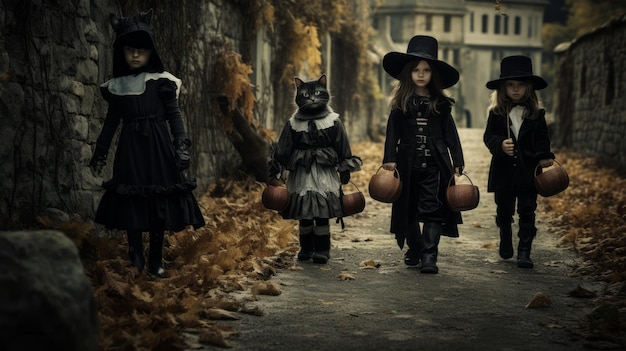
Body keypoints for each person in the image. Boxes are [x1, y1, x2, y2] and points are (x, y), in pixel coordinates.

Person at [89, 9, 205, 277]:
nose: (136, 55)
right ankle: (136, 255)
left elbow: (174, 115)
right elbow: (110, 123)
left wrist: (181, 146)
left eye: (141, 50)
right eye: (130, 49)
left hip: (158, 147)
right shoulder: (117, 87)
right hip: (130, 150)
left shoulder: (161, 82)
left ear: (151, 52)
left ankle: (156, 258)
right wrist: (100, 153)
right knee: (132, 199)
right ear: (123, 52)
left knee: (157, 200)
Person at [381, 35, 465, 274]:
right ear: (408, 73)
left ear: (433, 74)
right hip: (406, 165)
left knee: (432, 209)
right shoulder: (401, 103)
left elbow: (451, 134)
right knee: (407, 208)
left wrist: (458, 161)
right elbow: (392, 133)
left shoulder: (440, 104)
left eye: (426, 69)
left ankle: (430, 255)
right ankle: (415, 247)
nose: (420, 74)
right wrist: (389, 158)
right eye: (416, 69)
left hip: (435, 167)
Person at [268, 74, 362, 264]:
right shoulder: (294, 123)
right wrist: (276, 171)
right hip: (302, 171)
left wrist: (344, 168)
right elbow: (284, 148)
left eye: (318, 94)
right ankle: (306, 248)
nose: (312, 98)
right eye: (306, 95)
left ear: (325, 93)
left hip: (323, 171)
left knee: (321, 211)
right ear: (299, 96)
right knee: (304, 211)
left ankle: (322, 249)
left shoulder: (332, 120)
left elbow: (342, 144)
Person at [483, 55, 554, 268]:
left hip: (528, 171)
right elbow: (488, 137)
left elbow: (543, 138)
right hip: (503, 171)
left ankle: (525, 250)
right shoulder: (496, 114)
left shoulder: (537, 114)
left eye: (520, 85)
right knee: (504, 210)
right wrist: (499, 145)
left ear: (528, 88)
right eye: (511, 85)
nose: (515, 89)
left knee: (527, 210)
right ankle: (505, 234)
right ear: (503, 88)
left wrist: (544, 156)